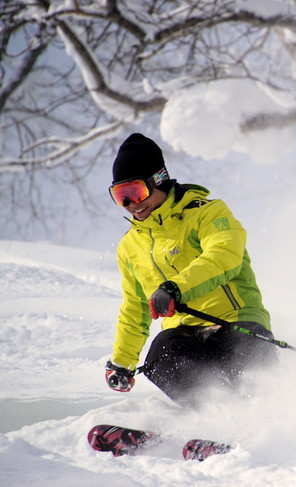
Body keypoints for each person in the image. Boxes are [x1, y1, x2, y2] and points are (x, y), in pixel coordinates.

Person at [104, 133, 276, 406]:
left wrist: (176, 288)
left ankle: (257, 412)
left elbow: (224, 256)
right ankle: (210, 419)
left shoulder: (207, 213)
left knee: (240, 355)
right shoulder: (130, 246)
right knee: (161, 355)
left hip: (237, 325)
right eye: (120, 196)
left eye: (135, 191)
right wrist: (122, 362)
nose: (131, 204)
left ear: (158, 179)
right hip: (186, 337)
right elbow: (135, 307)